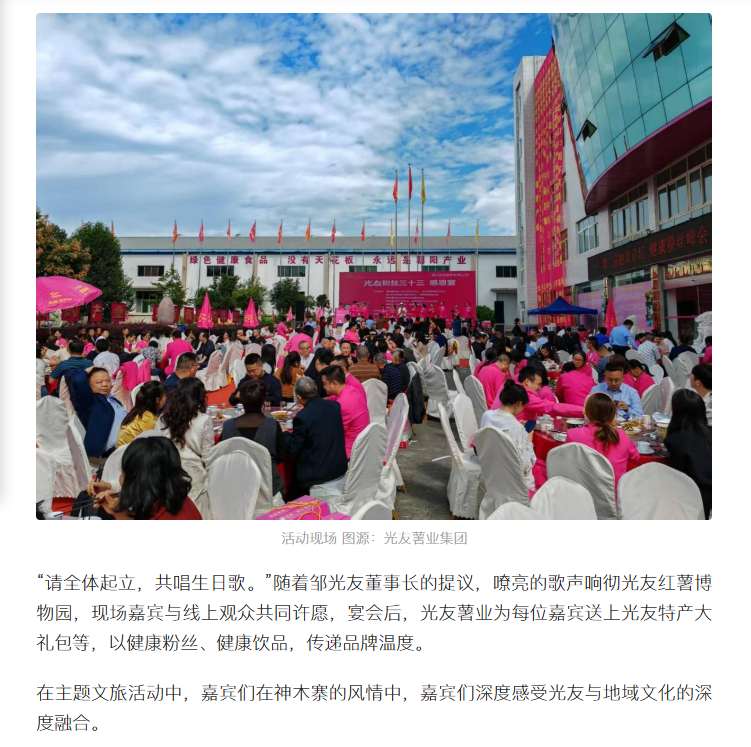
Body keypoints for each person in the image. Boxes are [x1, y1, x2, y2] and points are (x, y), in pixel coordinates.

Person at [87, 438, 202, 520]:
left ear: (141, 483)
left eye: (123, 474)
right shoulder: (174, 497)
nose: (120, 480)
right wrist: (118, 511)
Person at [283, 376, 349, 501]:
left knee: (291, 491)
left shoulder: (303, 416)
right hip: (339, 466)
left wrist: (285, 433)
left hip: (317, 473)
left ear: (299, 397)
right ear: (316, 388)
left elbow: (293, 448)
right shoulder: (335, 406)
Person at [157, 377, 213, 518]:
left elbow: (158, 446)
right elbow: (208, 458)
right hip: (194, 475)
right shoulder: (204, 420)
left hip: (168, 472)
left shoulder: (163, 418)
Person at [220, 379, 287, 498]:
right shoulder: (272, 425)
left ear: (241, 400)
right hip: (268, 485)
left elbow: (223, 453)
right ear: (263, 401)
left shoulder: (228, 426)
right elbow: (280, 454)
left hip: (237, 484)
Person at [566, 393, 639, 489]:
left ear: (587, 413)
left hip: (583, 492)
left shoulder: (573, 435)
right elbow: (635, 458)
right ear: (613, 415)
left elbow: (565, 460)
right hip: (615, 494)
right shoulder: (621, 436)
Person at [480, 380, 536, 492]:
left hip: (489, 467)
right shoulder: (517, 429)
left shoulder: (487, 415)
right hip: (512, 479)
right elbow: (525, 465)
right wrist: (529, 439)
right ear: (519, 404)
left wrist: (516, 425)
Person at [665, 389, 712, 519]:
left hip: (694, 500)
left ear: (676, 411)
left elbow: (677, 478)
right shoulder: (710, 432)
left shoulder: (676, 440)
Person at [68, 367, 127, 459]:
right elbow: (78, 381)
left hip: (128, 442)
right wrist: (88, 369)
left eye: (108, 380)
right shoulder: (89, 403)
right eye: (99, 382)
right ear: (89, 385)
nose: (105, 384)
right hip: (113, 452)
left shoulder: (113, 399)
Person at [320, 364, 370, 459]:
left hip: (349, 452)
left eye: (324, 383)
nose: (323, 387)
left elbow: (332, 432)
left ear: (334, 383)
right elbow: (332, 398)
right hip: (362, 444)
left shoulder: (342, 405)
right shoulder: (351, 390)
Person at [116, 381, 167, 447]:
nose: (166, 398)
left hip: (120, 450)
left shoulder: (135, 411)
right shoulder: (150, 420)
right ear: (157, 400)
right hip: (129, 451)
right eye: (165, 396)